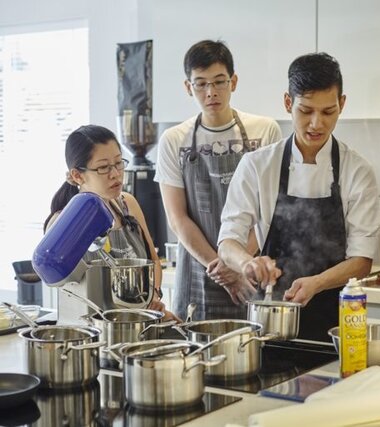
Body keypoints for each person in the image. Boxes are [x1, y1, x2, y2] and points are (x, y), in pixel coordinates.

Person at [217, 52, 379, 342]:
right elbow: (228, 242)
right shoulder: (258, 165)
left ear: (342, 104)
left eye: (328, 112)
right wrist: (247, 264)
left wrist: (317, 283)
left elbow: (361, 261)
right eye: (306, 111)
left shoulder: (357, 171)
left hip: (337, 325)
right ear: (288, 103)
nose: (316, 123)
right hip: (270, 322)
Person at [154, 40, 282, 321]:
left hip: (252, 270)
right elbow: (178, 219)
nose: (211, 92)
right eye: (200, 84)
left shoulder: (265, 131)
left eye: (219, 82)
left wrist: (238, 264)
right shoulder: (174, 140)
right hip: (200, 274)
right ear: (188, 87)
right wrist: (222, 267)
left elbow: (269, 210)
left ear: (233, 82)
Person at [44, 125, 176, 319]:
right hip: (92, 332)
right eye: (104, 167)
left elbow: (152, 260)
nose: (115, 174)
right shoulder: (63, 224)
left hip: (137, 323)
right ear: (77, 175)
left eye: (118, 163)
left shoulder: (127, 204)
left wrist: (153, 297)